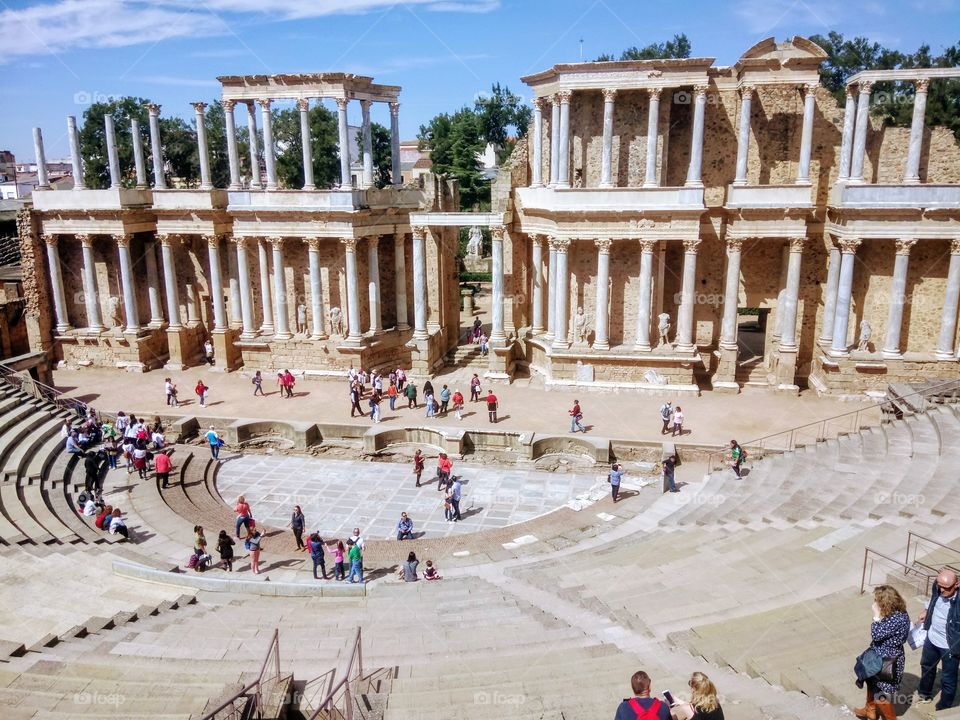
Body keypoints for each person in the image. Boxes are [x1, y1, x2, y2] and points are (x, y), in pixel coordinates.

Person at [854, 585, 910, 719]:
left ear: (885, 603)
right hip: (877, 656)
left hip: (887, 660)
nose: (874, 603)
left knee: (880, 692)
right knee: (871, 682)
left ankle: (891, 718)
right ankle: (870, 710)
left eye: (876, 600)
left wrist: (876, 616)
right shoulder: (895, 613)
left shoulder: (896, 618)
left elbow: (876, 635)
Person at [917, 569, 960, 710]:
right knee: (926, 667)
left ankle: (944, 707)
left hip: (950, 646)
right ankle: (924, 694)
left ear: (957, 584)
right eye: (939, 585)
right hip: (931, 639)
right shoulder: (938, 587)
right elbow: (934, 599)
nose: (941, 590)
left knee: (948, 679)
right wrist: (927, 611)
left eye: (945, 588)